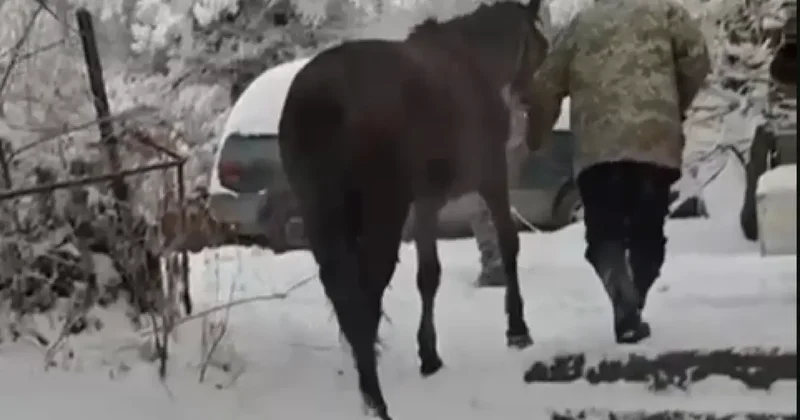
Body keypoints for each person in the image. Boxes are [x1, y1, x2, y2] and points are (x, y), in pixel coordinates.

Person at [520, 0, 711, 343]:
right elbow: (698, 60)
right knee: (647, 233)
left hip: (599, 148)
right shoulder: (666, 13)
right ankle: (633, 298)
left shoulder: (581, 24)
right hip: (654, 144)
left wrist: (536, 135)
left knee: (603, 233)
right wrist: (673, 103)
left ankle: (624, 302)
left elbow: (546, 83)